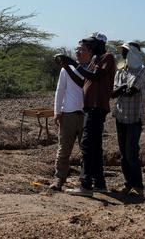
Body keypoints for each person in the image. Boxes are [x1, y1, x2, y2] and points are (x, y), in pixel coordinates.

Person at [57, 32, 116, 197]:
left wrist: (72, 63)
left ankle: (85, 185)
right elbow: (84, 82)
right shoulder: (95, 60)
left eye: (91, 44)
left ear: (99, 44)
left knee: (87, 145)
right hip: (91, 107)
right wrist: (67, 67)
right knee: (95, 147)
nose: (88, 47)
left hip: (97, 107)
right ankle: (99, 183)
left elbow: (96, 77)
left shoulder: (107, 57)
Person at [111, 41, 145, 197]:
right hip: (120, 116)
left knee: (131, 153)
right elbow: (113, 92)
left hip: (134, 117)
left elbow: (131, 91)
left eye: (126, 52)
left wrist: (121, 89)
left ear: (133, 54)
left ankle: (138, 186)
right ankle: (128, 183)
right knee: (124, 154)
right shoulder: (121, 71)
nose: (123, 55)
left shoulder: (142, 70)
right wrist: (122, 89)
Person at [49, 47, 86, 191]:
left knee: (86, 150)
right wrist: (57, 111)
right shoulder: (66, 69)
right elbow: (60, 90)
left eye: (82, 50)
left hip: (85, 114)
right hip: (68, 114)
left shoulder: (91, 68)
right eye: (77, 50)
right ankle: (59, 177)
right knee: (64, 148)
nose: (78, 52)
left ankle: (85, 180)